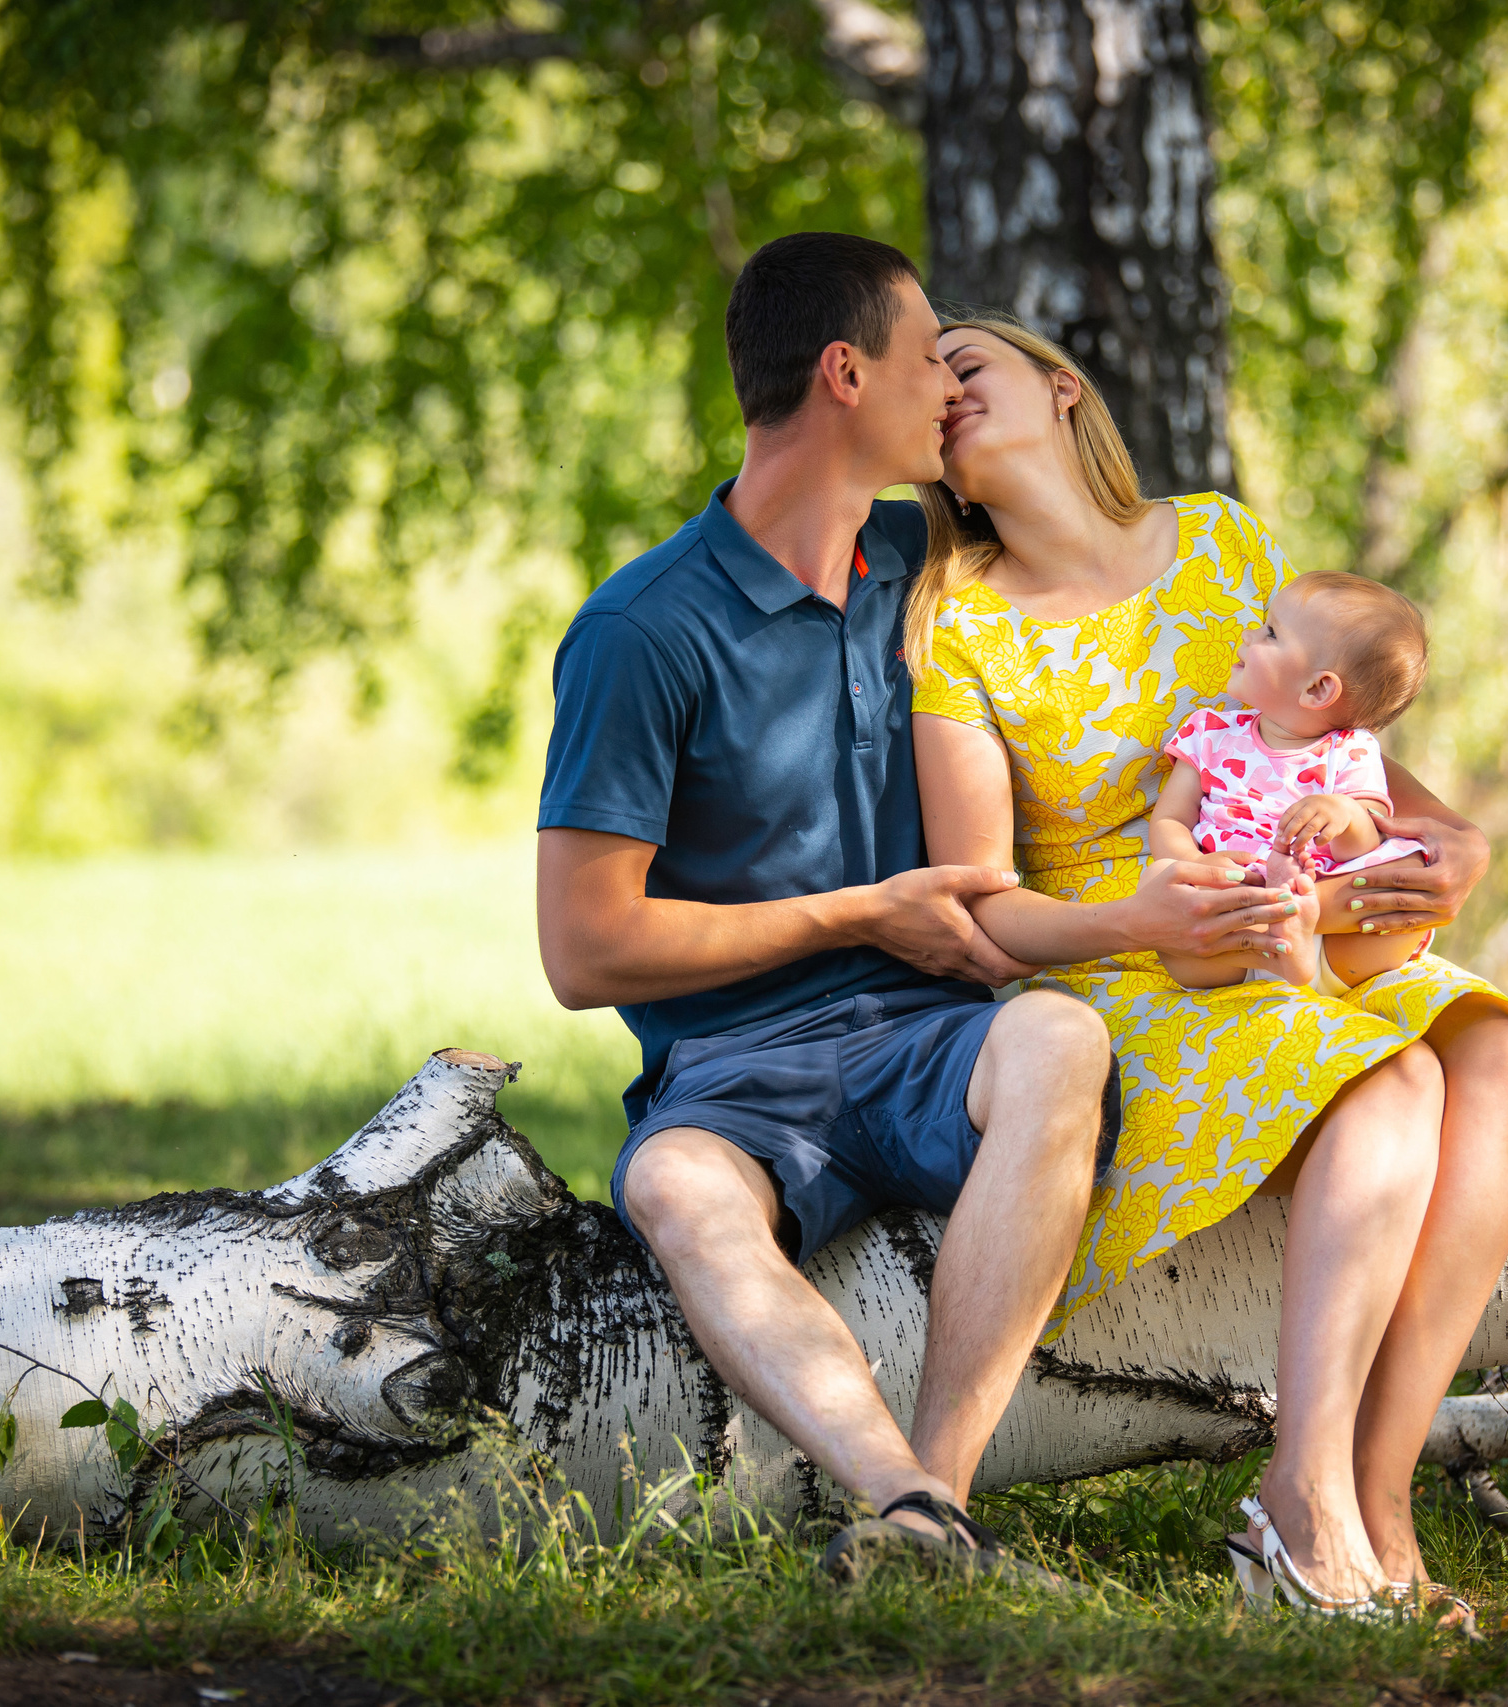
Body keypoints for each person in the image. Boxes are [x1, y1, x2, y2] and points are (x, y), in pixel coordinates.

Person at [533, 236, 1282, 1569]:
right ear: (845, 373)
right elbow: (585, 950)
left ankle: (939, 1497)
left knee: (1058, 1039)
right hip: (737, 1068)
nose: (950, 385)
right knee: (674, 1184)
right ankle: (898, 1493)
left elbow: (1124, 591)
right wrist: (859, 912)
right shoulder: (642, 631)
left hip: (936, 1035)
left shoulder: (932, 564)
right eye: (930, 356)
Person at [905, 310, 1508, 1613]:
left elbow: (1344, 754)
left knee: (1500, 1048)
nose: (942, 389)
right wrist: (1145, 921)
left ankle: (1381, 1497)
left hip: (1307, 914)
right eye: (923, 383)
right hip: (1128, 966)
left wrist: (1453, 844)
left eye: (969, 363)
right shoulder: (957, 621)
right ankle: (1302, 1493)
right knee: (1392, 1077)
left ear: (1062, 387)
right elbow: (983, 909)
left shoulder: (1221, 541)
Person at [1149, 570, 1436, 991]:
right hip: (1230, 926)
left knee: (1410, 868)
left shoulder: (1351, 750)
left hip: (1332, 937)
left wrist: (1345, 814)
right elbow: (1170, 819)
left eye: (1270, 633)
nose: (1248, 634)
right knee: (1157, 880)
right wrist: (1191, 863)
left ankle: (1296, 938)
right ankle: (1281, 949)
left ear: (1317, 689)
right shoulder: (1209, 734)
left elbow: (1365, 846)